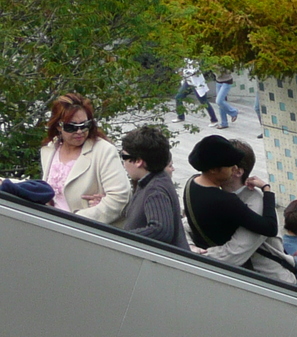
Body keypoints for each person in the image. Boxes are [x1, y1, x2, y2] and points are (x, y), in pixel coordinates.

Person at [38, 94, 131, 224]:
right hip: (52, 227)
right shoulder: (48, 150)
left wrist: (80, 219)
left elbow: (120, 197)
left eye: (84, 125)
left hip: (86, 231)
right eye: (72, 127)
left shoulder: (104, 151)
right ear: (58, 126)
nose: (80, 131)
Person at [181, 136, 278, 258]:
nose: (235, 168)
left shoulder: (192, 183)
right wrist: (267, 190)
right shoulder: (225, 200)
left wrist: (189, 246)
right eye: (230, 165)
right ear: (213, 169)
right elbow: (270, 228)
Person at [117, 126, 187, 248]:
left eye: (124, 157)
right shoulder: (153, 181)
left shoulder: (155, 190)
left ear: (138, 161)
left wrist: (122, 237)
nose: (123, 163)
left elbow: (161, 230)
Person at [175, 58, 217, 124]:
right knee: (178, 97)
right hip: (188, 82)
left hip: (197, 84)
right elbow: (179, 69)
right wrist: (180, 71)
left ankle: (214, 120)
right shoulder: (184, 60)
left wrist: (183, 72)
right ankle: (180, 116)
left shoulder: (195, 59)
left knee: (203, 101)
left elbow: (194, 71)